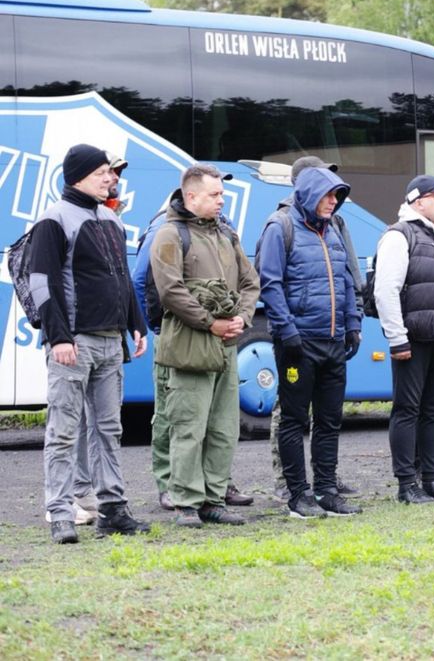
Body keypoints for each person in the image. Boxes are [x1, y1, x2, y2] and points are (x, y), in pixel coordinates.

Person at [29, 144, 151, 543]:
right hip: (74, 343)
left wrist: (135, 324)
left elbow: (122, 277)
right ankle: (60, 512)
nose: (111, 178)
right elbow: (41, 284)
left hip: (109, 343)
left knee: (109, 429)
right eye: (102, 172)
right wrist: (58, 336)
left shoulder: (110, 219)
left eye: (110, 173)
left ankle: (113, 508)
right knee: (64, 431)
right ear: (78, 175)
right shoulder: (53, 220)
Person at [134, 180, 254, 512]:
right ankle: (184, 501)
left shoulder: (226, 234)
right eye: (215, 195)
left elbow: (250, 281)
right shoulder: (169, 234)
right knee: (185, 424)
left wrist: (242, 318)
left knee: (222, 426)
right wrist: (210, 322)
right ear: (191, 196)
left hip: (225, 344)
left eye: (222, 195)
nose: (221, 201)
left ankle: (214, 500)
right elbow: (168, 289)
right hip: (187, 343)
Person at [256, 166, 363, 519]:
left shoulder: (331, 229)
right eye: (329, 195)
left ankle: (327, 490)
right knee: (293, 419)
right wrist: (287, 332)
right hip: (297, 345)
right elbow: (269, 284)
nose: (334, 202)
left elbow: (346, 280)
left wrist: (352, 324)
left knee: (330, 420)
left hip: (333, 342)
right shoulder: (280, 226)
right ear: (310, 193)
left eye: (337, 196)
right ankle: (297, 494)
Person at [373, 175, 434, 504]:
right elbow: (385, 290)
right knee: (407, 410)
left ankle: (432, 479)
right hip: (414, 340)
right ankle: (406, 484)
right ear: (418, 201)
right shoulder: (399, 236)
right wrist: (397, 338)